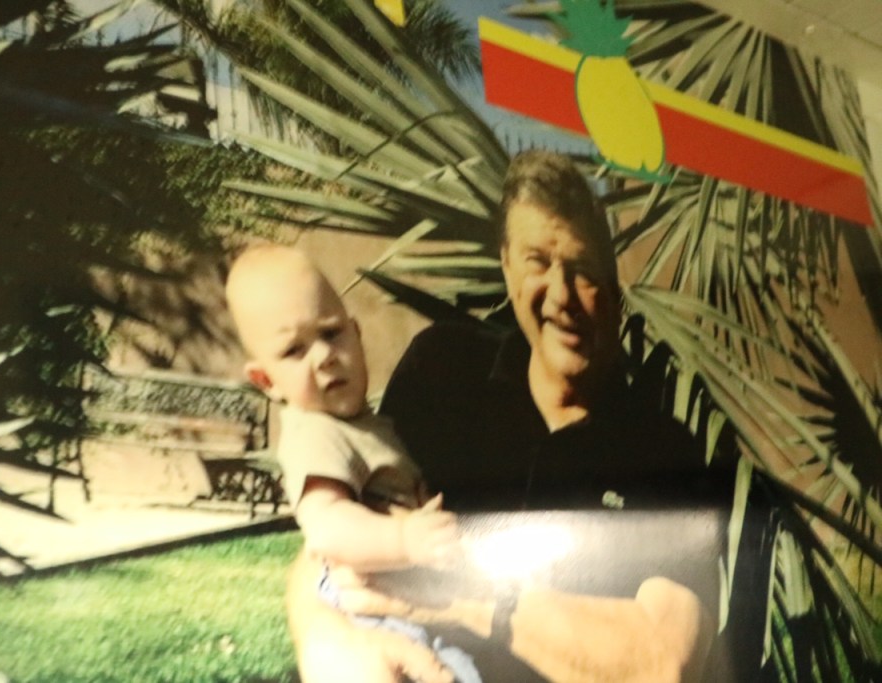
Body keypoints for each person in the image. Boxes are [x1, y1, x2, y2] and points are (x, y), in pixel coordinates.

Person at [286, 150, 758, 682]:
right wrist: (327, 640)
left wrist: (459, 599)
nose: (561, 296)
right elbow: (329, 541)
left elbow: (664, 663)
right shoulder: (440, 372)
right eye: (538, 262)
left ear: (613, 289)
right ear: (508, 268)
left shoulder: (665, 451)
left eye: (582, 270)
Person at [224, 244, 480, 683]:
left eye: (331, 333)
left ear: (356, 334)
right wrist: (404, 539)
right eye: (294, 350)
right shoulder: (314, 434)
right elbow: (327, 527)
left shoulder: (361, 425)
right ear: (265, 380)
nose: (323, 356)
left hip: (406, 596)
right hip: (372, 608)